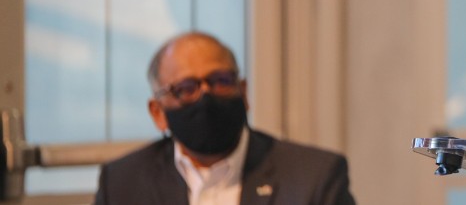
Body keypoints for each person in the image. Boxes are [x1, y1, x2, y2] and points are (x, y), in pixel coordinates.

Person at [93, 31, 356, 205]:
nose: (206, 96)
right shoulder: (122, 183)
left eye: (220, 81)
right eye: (186, 89)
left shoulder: (314, 178)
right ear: (158, 112)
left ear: (243, 91)